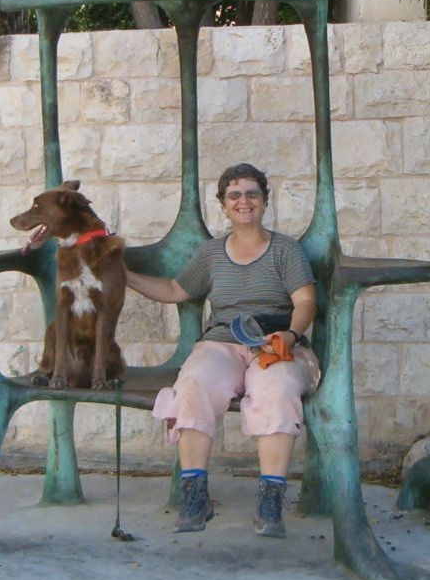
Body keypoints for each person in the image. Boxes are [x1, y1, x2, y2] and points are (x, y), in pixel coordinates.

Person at [126, 163, 320, 537]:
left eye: (251, 193)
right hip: (223, 340)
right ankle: (195, 495)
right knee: (195, 382)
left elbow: (306, 299)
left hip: (275, 339)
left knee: (276, 388)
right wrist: (125, 276)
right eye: (234, 195)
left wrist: (291, 336)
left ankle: (270, 499)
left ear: (264, 201)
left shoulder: (285, 250)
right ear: (223, 204)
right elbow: (174, 290)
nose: (243, 201)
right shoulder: (211, 253)